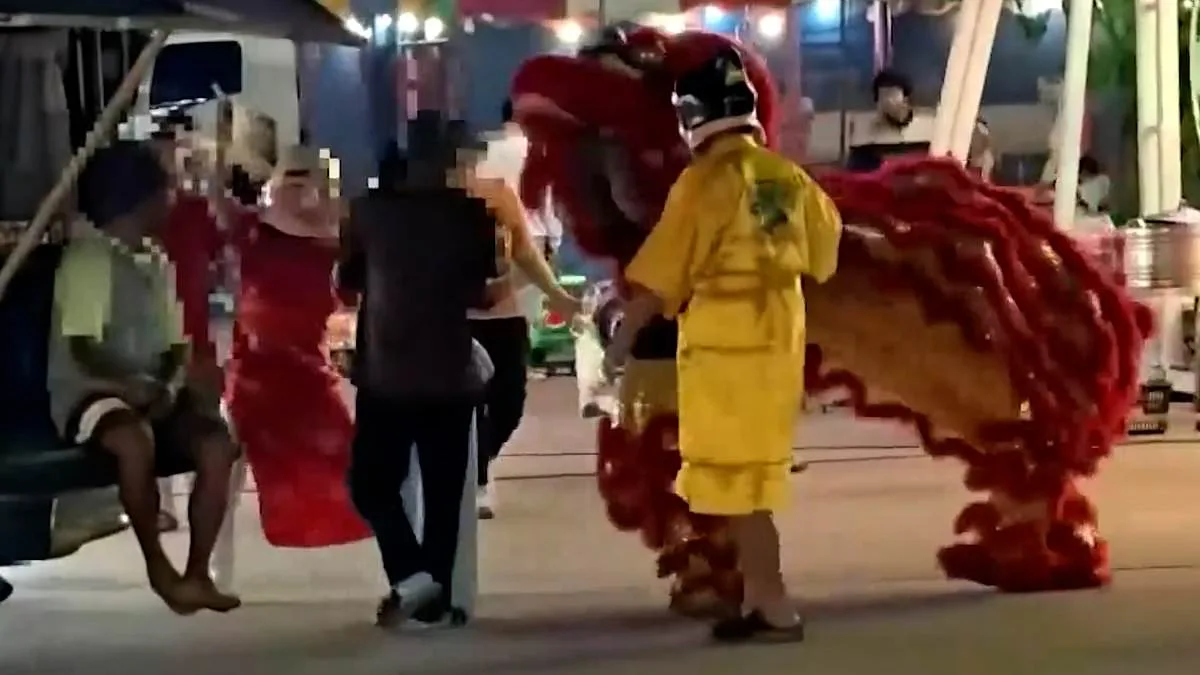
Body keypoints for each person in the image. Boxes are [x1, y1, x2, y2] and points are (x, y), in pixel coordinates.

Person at [603, 47, 841, 641]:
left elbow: (662, 274)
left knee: (738, 486)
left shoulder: (705, 181)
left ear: (692, 115)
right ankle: (760, 600)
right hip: (778, 341)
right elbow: (825, 254)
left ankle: (775, 606)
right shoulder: (788, 178)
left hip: (726, 352)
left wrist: (621, 340)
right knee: (751, 483)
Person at [48, 141, 242, 614]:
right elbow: (83, 347)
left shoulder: (154, 258)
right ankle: (158, 567)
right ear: (137, 200)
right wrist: (130, 386)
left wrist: (170, 380)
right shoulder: (91, 259)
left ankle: (197, 573)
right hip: (91, 388)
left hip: (152, 386)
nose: (172, 200)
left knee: (218, 445)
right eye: (165, 190)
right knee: (134, 443)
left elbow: (173, 340)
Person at [338, 120, 498, 628]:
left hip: (387, 372)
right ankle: (436, 596)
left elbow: (348, 280)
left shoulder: (370, 211)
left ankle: (413, 579)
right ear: (450, 161)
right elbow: (480, 293)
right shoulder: (472, 215)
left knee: (371, 484)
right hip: (451, 371)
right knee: (444, 492)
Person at [222, 145, 371, 548]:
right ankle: (211, 562)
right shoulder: (252, 231)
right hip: (255, 372)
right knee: (229, 465)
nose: (302, 189)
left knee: (348, 467)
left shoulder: (339, 240)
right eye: (294, 178)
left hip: (306, 370)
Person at [470, 99, 579, 518]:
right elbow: (550, 220)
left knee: (497, 392)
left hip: (507, 274)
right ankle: (476, 475)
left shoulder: (488, 166)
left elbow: (525, 243)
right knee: (491, 393)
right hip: (498, 280)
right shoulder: (542, 152)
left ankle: (476, 469)